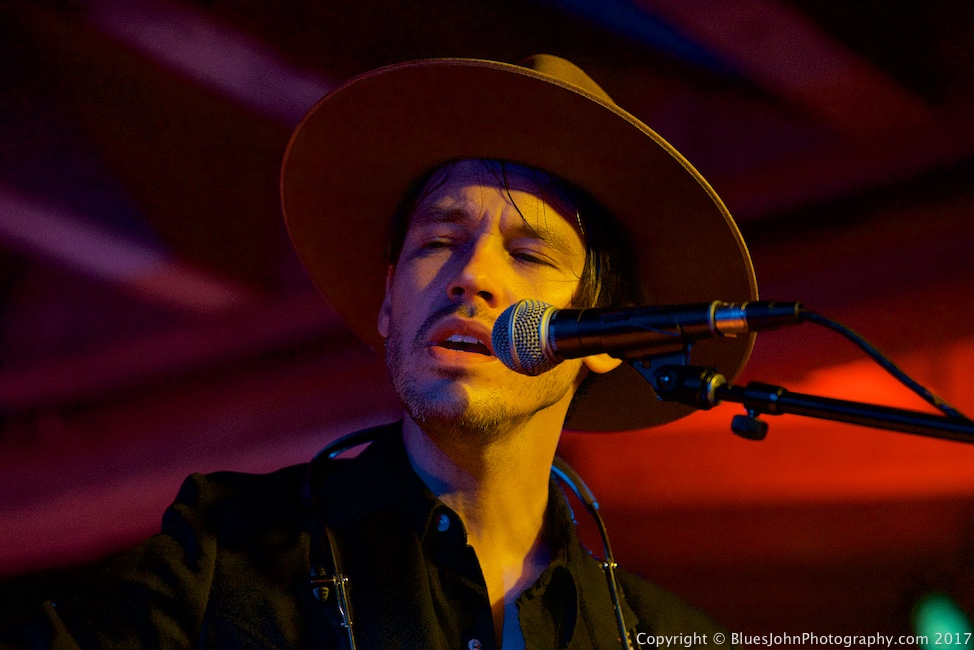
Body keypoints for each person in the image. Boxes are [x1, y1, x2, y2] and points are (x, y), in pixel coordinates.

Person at [2, 55, 757, 649]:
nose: (473, 277)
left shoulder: (668, 638)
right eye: (439, 242)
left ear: (607, 337)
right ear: (390, 299)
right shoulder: (222, 559)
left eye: (529, 254)